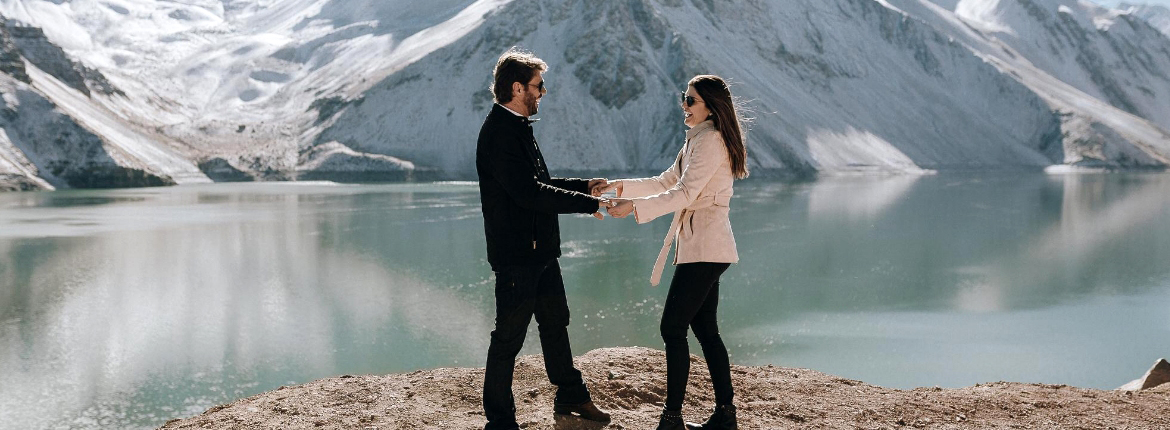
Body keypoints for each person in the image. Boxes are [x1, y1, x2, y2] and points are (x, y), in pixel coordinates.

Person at [475, 47, 613, 430]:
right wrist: (588, 206)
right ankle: (500, 422)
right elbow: (529, 194)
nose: (543, 93)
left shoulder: (517, 128)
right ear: (518, 88)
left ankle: (571, 395)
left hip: (540, 252)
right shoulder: (500, 133)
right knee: (508, 337)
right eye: (539, 86)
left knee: (555, 323)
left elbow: (539, 184)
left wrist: (585, 186)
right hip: (518, 255)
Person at [600, 75, 749, 430]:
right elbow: (667, 181)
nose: (684, 104)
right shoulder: (698, 140)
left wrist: (633, 208)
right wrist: (619, 186)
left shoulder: (710, 141)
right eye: (684, 97)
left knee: (672, 327)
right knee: (705, 329)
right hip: (704, 246)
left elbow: (683, 194)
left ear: (710, 106)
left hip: (706, 248)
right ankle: (725, 416)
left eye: (691, 99)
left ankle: (673, 418)